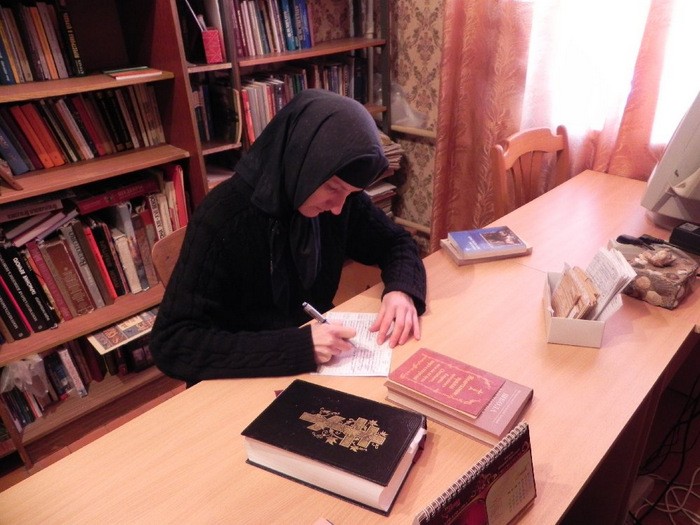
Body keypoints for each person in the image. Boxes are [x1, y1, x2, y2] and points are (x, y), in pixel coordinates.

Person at [150, 89, 427, 384]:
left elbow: (396, 242)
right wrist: (299, 347)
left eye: (350, 193)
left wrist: (401, 290)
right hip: (239, 378)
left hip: (313, 366)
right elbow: (173, 343)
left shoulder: (340, 200)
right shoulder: (223, 218)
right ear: (302, 163)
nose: (338, 208)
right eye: (333, 188)